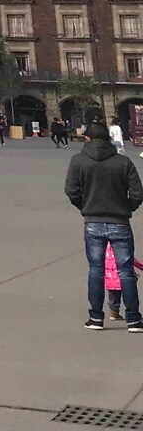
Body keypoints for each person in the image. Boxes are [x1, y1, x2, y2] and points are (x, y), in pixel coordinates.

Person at [66, 118, 143, 329]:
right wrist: (127, 207)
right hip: (119, 220)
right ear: (109, 138)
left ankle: (96, 317)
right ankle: (134, 318)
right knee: (125, 271)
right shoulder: (123, 162)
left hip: (93, 221)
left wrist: (85, 206)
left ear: (87, 137)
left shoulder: (78, 160)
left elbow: (71, 190)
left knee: (95, 270)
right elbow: (138, 192)